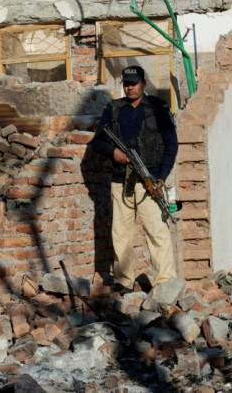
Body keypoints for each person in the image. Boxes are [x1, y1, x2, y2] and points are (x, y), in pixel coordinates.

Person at [91, 65, 178, 293]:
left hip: (150, 181)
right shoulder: (114, 109)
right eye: (126, 84)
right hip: (120, 182)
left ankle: (165, 283)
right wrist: (114, 153)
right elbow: (98, 142)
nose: (130, 88)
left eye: (134, 83)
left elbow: (171, 145)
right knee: (120, 233)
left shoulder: (158, 108)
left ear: (143, 84)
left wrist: (160, 178)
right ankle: (123, 282)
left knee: (157, 232)